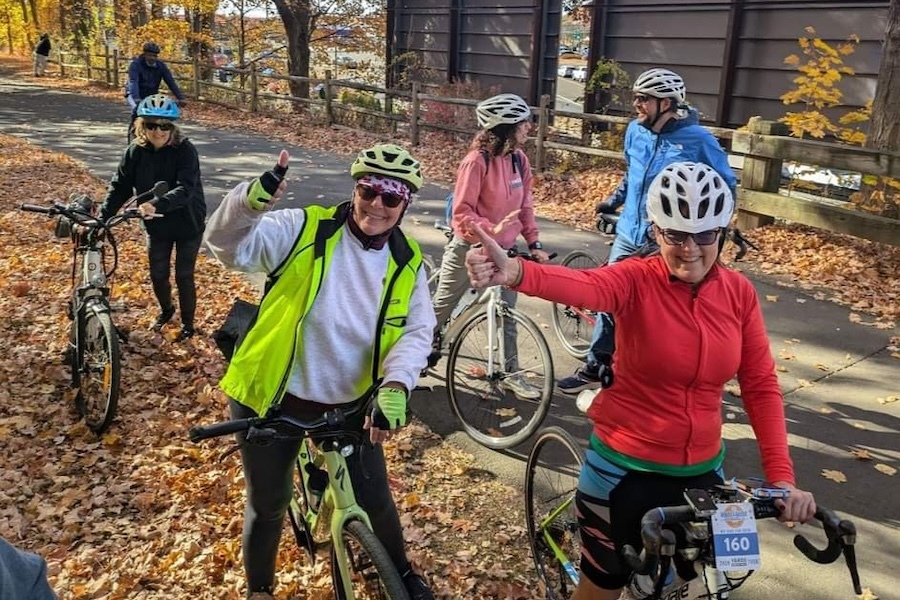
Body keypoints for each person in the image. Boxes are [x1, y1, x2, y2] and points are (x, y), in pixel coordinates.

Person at [465, 161, 817, 600]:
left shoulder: (738, 293)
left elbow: (761, 386)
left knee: (685, 587)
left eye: (705, 235)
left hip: (704, 472)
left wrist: (782, 479)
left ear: (723, 234)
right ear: (655, 232)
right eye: (675, 235)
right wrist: (517, 272)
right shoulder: (636, 280)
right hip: (624, 472)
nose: (691, 249)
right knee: (603, 591)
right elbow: (585, 285)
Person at [203, 144, 437, 600]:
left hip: (349, 402)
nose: (377, 205)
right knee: (268, 505)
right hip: (271, 394)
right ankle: (261, 590)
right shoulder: (303, 228)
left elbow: (416, 331)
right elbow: (226, 246)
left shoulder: (408, 263)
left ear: (405, 204)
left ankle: (402, 576)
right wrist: (249, 202)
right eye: (369, 191)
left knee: (376, 499)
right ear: (356, 190)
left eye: (391, 198)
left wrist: (396, 384)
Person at [557, 68, 738, 395]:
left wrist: (715, 227)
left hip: (669, 240)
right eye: (636, 97)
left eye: (644, 99)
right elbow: (632, 175)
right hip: (630, 233)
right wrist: (612, 201)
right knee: (611, 297)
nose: (636, 104)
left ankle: (672, 371)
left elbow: (725, 184)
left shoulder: (698, 140)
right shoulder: (635, 132)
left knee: (667, 309)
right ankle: (597, 364)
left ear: (666, 103)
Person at [428, 92, 550, 399]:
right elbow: (462, 213)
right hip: (470, 249)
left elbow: (525, 207)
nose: (529, 128)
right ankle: (413, 352)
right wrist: (488, 233)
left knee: (507, 313)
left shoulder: (519, 160)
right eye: (524, 123)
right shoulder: (476, 161)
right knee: (440, 308)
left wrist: (534, 242)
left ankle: (510, 373)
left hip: (505, 254)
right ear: (507, 126)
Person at [99, 94, 206, 341]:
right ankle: (167, 310)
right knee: (158, 273)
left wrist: (155, 203)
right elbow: (120, 186)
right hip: (156, 223)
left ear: (173, 127)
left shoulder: (186, 151)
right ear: (141, 125)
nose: (158, 131)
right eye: (151, 125)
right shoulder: (135, 152)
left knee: (183, 274)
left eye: (164, 125)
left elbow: (185, 189)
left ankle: (188, 324)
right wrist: (103, 218)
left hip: (187, 221)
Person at [126, 42, 186, 139]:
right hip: (135, 93)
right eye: (150, 55)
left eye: (155, 56)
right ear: (144, 54)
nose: (152, 58)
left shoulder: (160, 66)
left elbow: (170, 81)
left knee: (156, 114)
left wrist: (181, 97)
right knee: (136, 112)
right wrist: (136, 99)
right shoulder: (136, 65)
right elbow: (134, 82)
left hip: (151, 93)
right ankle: (133, 136)